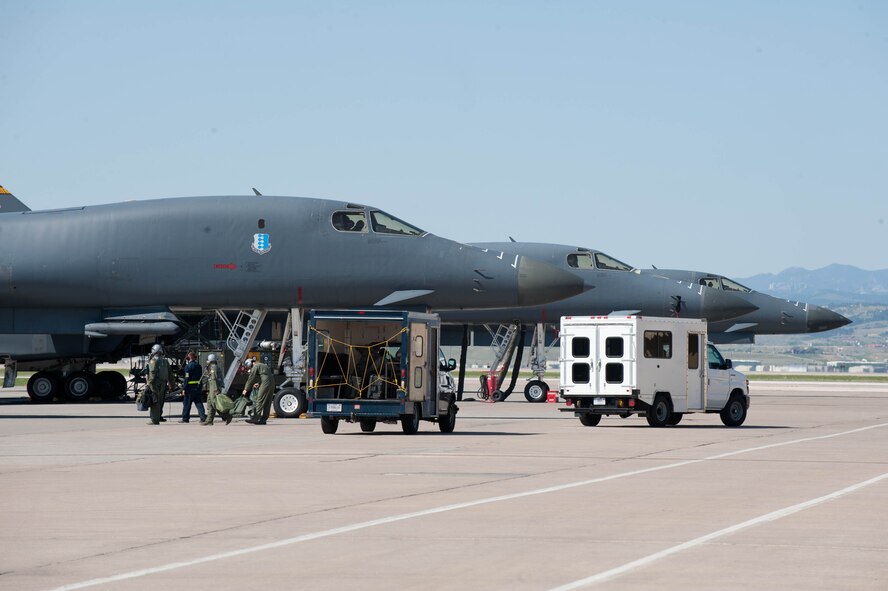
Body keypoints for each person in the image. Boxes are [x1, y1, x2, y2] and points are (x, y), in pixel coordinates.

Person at [242, 357, 274, 425]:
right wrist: (259, 383)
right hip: (271, 381)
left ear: (250, 363)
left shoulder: (255, 366)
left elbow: (251, 378)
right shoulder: (261, 365)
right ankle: (263, 419)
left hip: (265, 382)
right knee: (267, 402)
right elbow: (264, 375)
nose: (249, 368)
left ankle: (255, 418)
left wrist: (245, 389)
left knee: (260, 400)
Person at [202, 353, 231, 425]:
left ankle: (227, 416)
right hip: (212, 388)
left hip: (214, 388)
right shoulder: (211, 367)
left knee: (215, 404)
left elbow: (214, 378)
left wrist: (215, 389)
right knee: (210, 404)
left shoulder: (213, 367)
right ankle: (209, 420)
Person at [146, 344, 171, 425]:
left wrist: (149, 384)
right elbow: (170, 374)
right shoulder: (165, 361)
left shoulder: (153, 361)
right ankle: (158, 417)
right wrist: (172, 385)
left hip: (155, 384)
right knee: (160, 401)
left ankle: (154, 420)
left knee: (155, 401)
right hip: (163, 384)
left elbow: (152, 373)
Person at [179, 351, 206, 423]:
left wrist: (184, 388)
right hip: (197, 387)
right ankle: (203, 417)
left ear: (190, 357)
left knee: (187, 404)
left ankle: (185, 418)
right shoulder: (199, 366)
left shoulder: (188, 367)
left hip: (190, 388)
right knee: (199, 403)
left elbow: (186, 378)